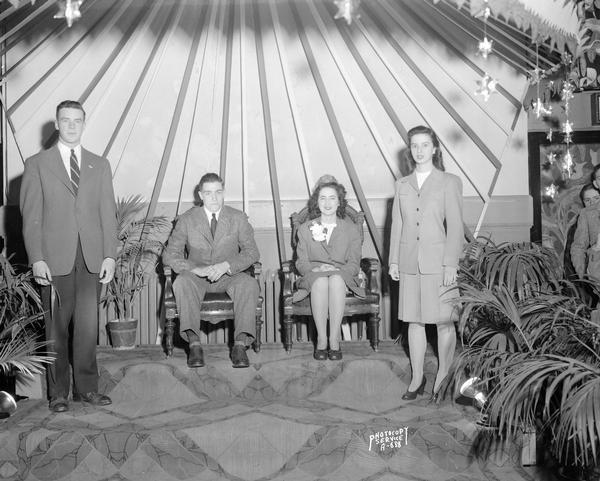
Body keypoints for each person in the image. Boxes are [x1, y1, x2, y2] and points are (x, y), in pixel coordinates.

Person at [20, 100, 118, 413]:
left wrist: (109, 256)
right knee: (56, 330)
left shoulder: (99, 164)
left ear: (83, 124)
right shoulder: (37, 164)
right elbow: (31, 217)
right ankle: (58, 393)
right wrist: (37, 258)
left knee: (88, 328)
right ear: (57, 124)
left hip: (91, 259)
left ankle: (87, 389)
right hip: (54, 260)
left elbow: (108, 216)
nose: (72, 126)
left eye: (77, 120)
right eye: (66, 120)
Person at [389, 125, 463, 401]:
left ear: (435, 149)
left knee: (444, 322)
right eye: (415, 146)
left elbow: (454, 227)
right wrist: (394, 260)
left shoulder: (449, 182)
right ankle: (417, 378)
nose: (419, 150)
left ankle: (443, 376)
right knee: (414, 322)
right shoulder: (402, 185)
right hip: (409, 262)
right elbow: (397, 225)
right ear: (410, 150)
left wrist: (450, 264)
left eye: (425, 145)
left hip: (440, 263)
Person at [162, 173, 260, 369]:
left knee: (249, 284)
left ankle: (240, 345)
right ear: (200, 195)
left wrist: (227, 266)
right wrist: (195, 269)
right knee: (181, 282)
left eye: (218, 192)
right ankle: (194, 344)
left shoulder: (238, 218)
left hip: (228, 276)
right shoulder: (187, 219)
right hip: (197, 278)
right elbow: (169, 255)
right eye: (208, 193)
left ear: (224, 193)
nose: (214, 198)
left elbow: (252, 252)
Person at [294, 180, 365, 360]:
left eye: (332, 198)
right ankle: (322, 339)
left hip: (341, 276)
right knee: (320, 281)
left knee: (334, 279)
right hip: (314, 275)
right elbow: (301, 263)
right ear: (316, 202)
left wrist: (336, 270)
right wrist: (318, 268)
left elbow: (354, 263)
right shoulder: (304, 229)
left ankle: (334, 339)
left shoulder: (351, 229)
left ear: (339, 202)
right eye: (322, 198)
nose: (327, 203)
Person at [571, 178, 600, 282]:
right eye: (588, 200)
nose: (592, 203)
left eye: (596, 198)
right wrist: (584, 275)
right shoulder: (584, 217)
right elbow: (578, 248)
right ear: (583, 202)